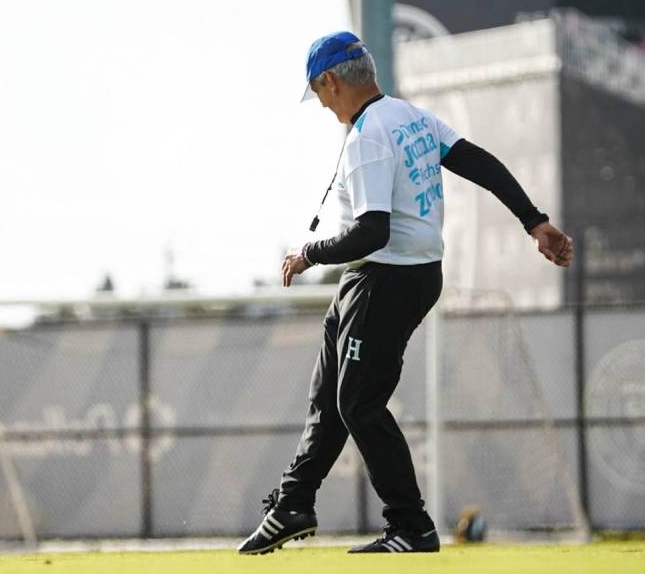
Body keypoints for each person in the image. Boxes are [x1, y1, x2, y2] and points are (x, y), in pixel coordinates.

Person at [237, 31, 573, 556]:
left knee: (357, 403)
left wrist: (310, 253)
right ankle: (292, 506)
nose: (322, 105)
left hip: (387, 278)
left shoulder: (367, 136)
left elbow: (373, 231)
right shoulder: (412, 116)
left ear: (329, 81)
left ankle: (411, 526)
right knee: (330, 398)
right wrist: (535, 221)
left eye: (319, 93)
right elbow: (480, 163)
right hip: (384, 277)